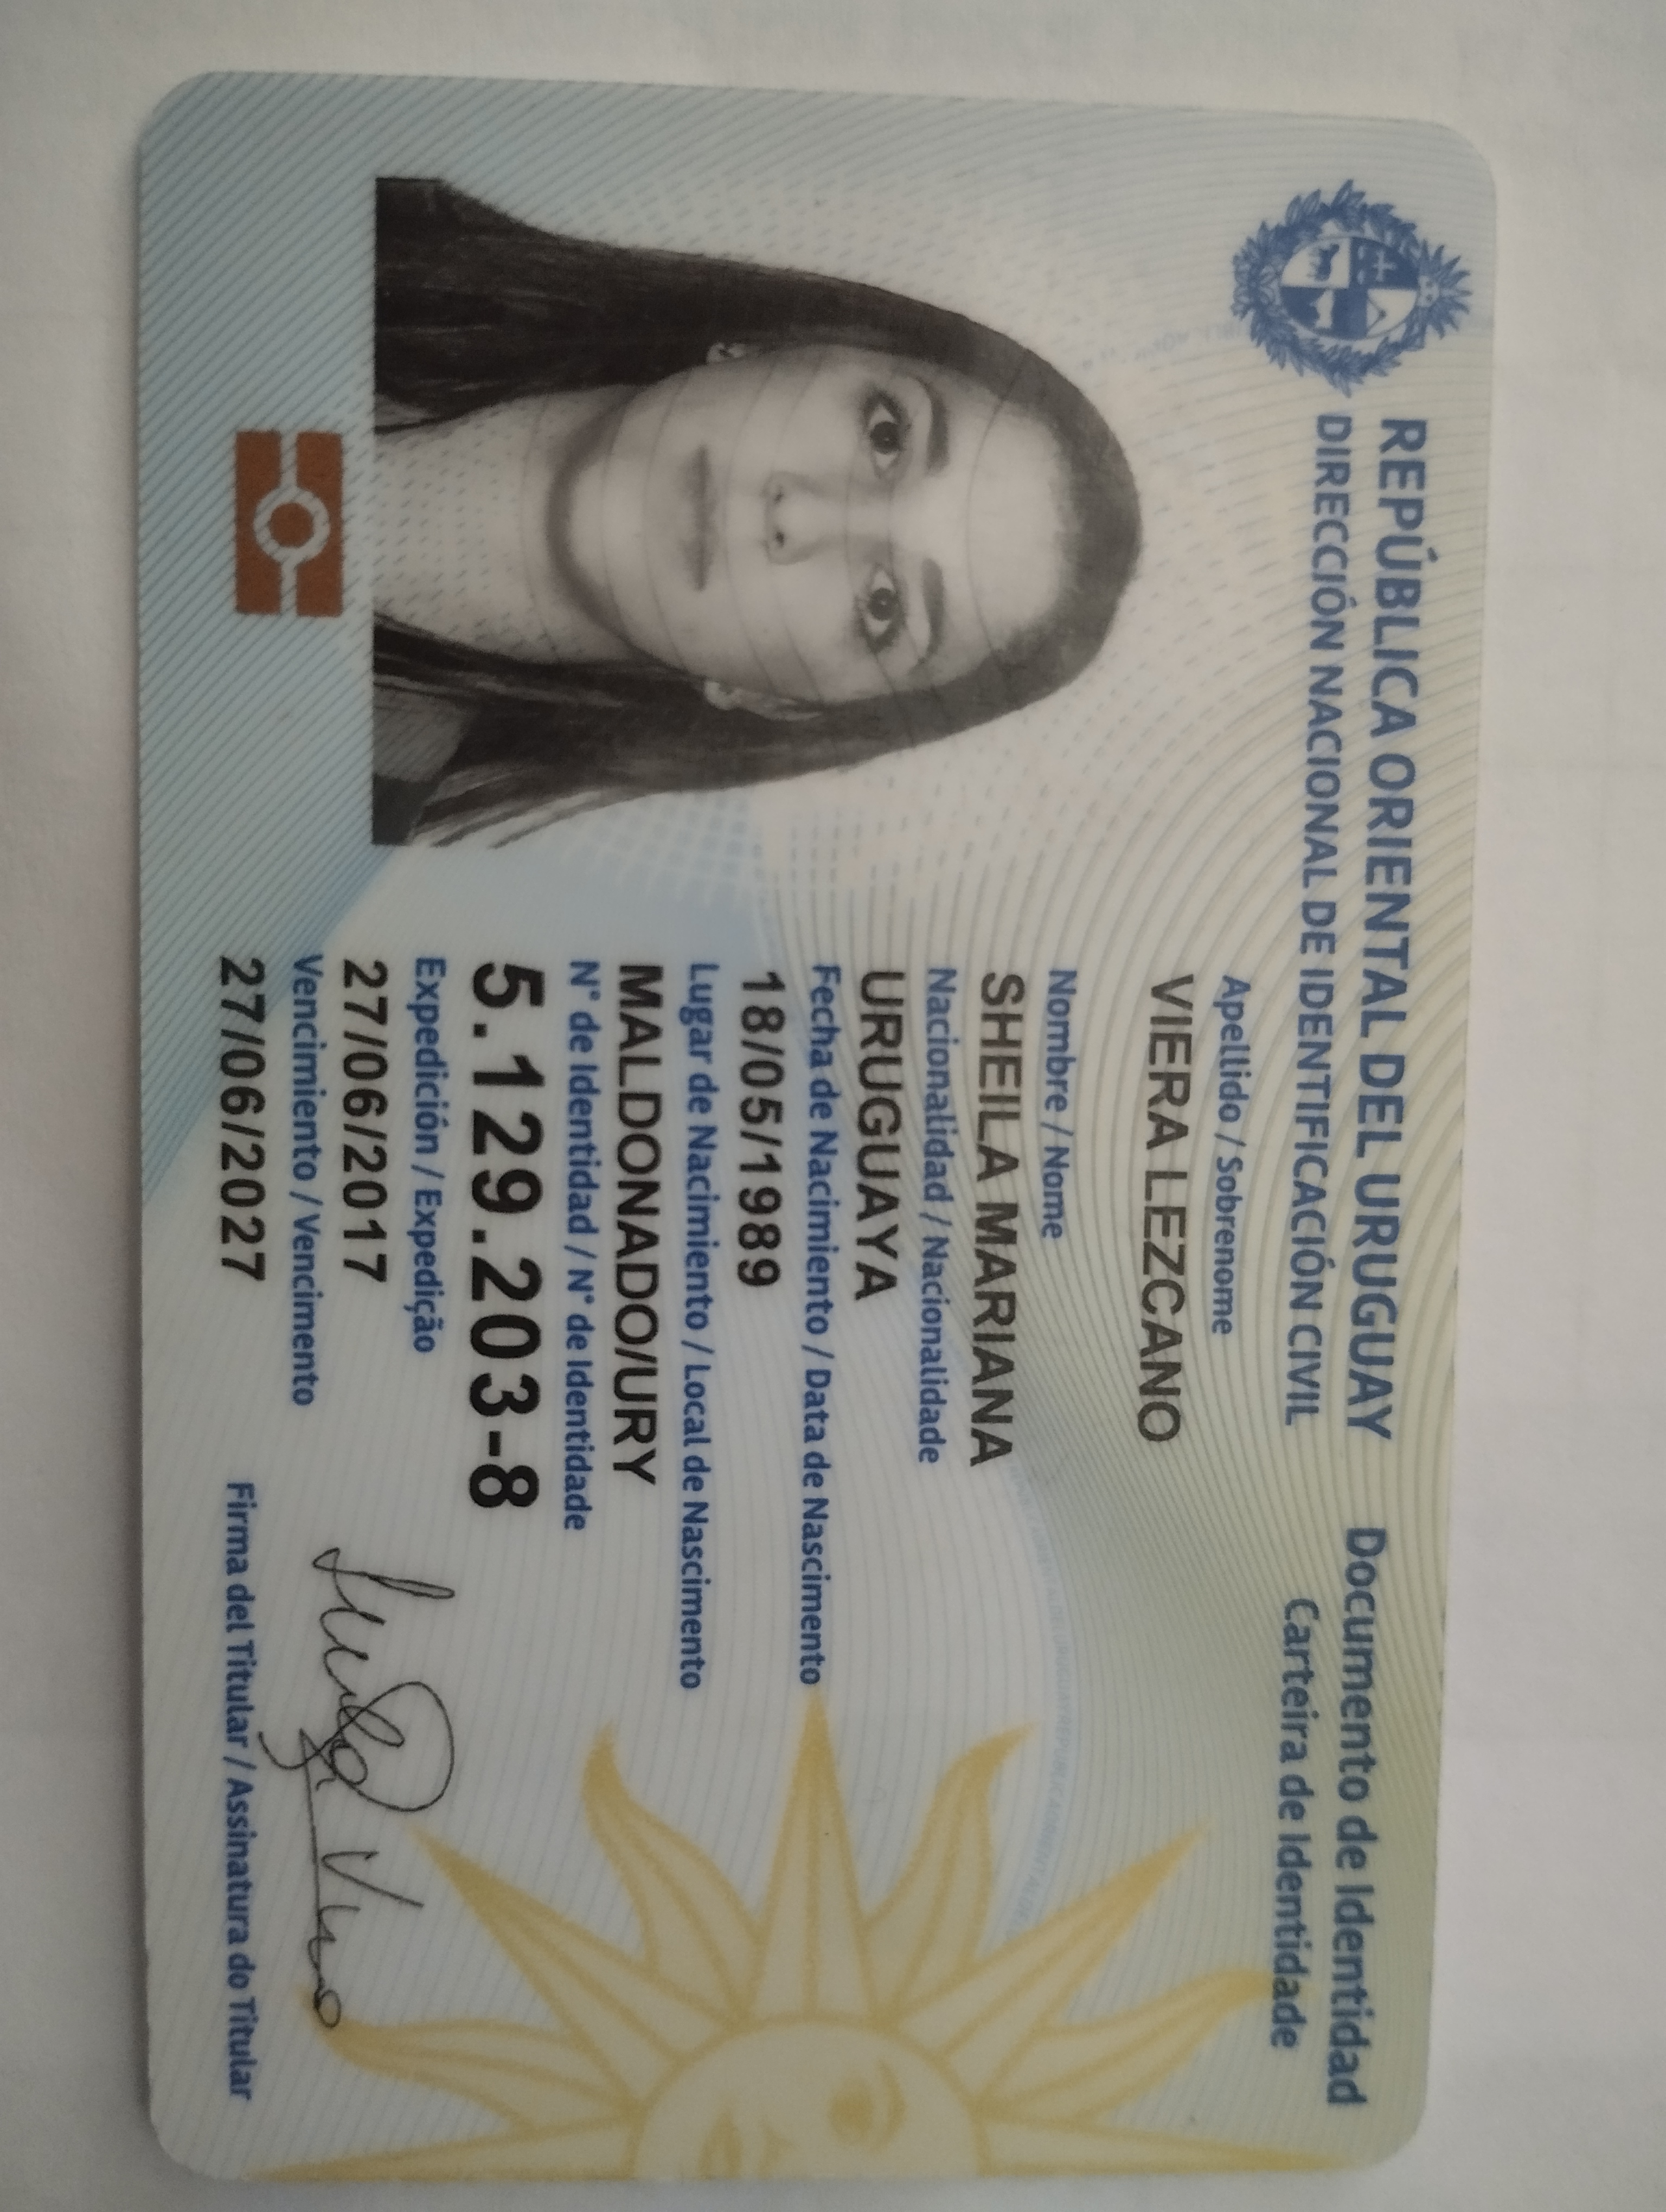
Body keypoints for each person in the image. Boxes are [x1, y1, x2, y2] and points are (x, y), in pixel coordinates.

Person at [374, 178, 1140, 845]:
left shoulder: (350, 810)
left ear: (775, 702)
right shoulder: (371, 211)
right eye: (886, 436)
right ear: (780, 342)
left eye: (883, 607)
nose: (801, 516)